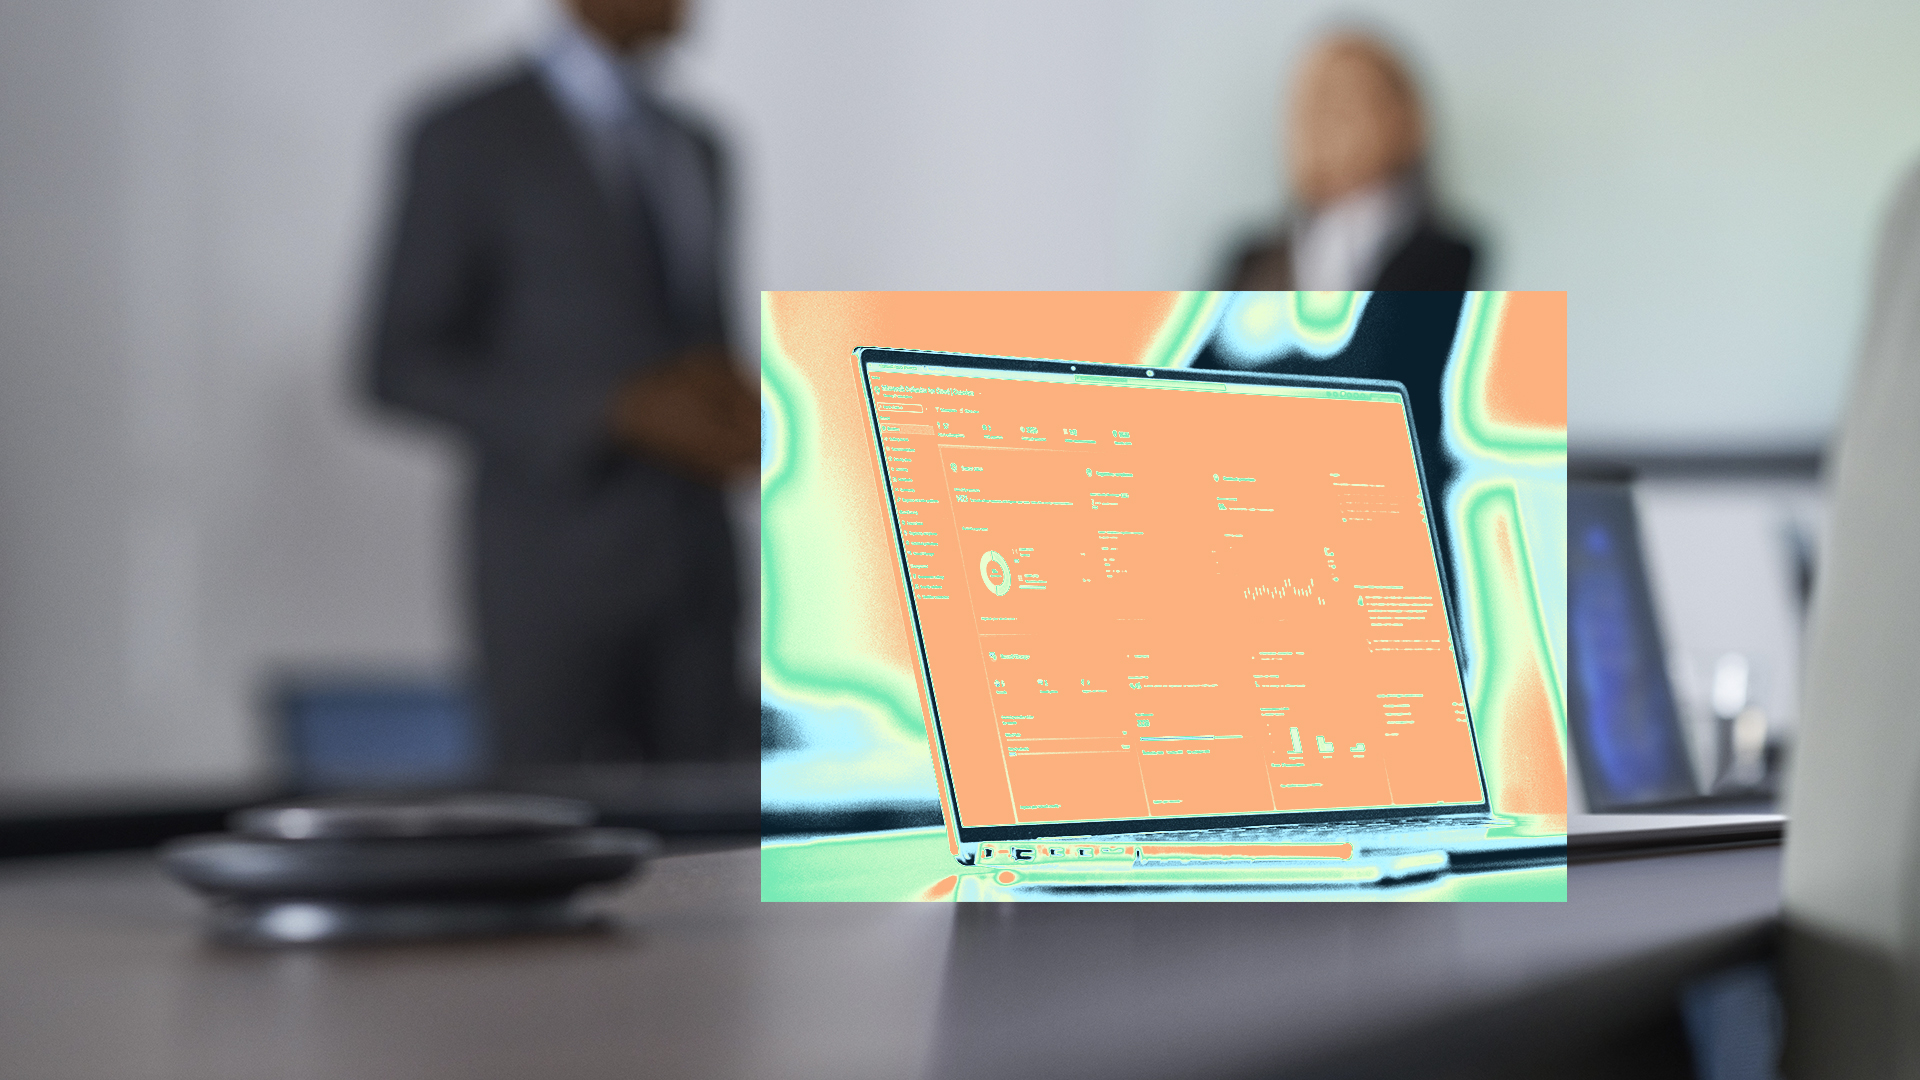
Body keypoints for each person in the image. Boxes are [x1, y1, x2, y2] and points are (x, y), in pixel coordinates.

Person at [367, 0, 757, 770]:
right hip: (552, 570)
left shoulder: (698, 146)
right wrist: (611, 411)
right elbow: (399, 363)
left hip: (697, 569)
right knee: (545, 814)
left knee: (715, 819)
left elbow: (703, 336)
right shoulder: (471, 135)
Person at [1226, 31, 1475, 291]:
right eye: (1312, 104)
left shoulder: (1451, 258)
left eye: (1345, 105)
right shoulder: (1253, 261)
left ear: (1404, 119)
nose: (1323, 121)